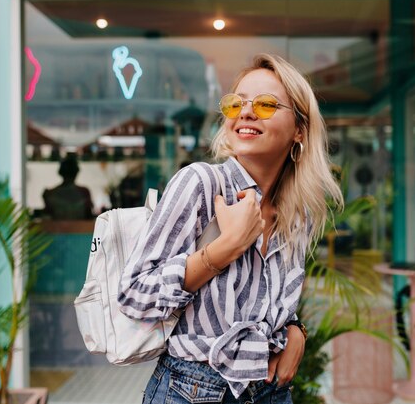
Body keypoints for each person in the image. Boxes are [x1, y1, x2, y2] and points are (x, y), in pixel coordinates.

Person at [118, 54, 343, 403]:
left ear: (300, 129)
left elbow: (266, 304)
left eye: (267, 104)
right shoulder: (201, 184)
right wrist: (225, 248)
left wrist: (297, 331)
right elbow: (134, 296)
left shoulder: (299, 213)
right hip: (191, 389)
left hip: (270, 391)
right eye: (236, 103)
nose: (246, 112)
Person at [42, 154, 94, 220]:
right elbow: (89, 216)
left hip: (57, 229)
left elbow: (47, 216)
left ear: (60, 173)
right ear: (76, 173)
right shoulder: (84, 192)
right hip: (80, 229)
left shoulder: (49, 193)